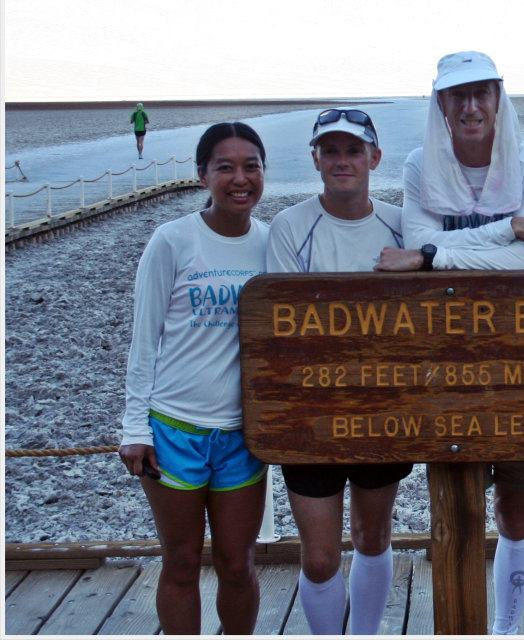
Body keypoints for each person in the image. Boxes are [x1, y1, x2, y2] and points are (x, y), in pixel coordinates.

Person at [375, 51, 524, 635]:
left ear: (498, 97)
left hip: (520, 359)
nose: (470, 106)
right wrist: (510, 226)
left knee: (517, 507)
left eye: (481, 93)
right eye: (456, 95)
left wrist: (437, 252)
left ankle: (508, 626)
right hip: (442, 363)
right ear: (439, 103)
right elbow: (420, 249)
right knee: (454, 503)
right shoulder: (419, 165)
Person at [119, 122, 270, 634]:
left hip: (242, 436)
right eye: (224, 167)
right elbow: (144, 341)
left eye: (251, 165)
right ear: (202, 174)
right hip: (173, 429)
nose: (239, 178)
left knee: (238, 563)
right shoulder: (173, 240)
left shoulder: (273, 245)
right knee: (181, 563)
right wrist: (134, 427)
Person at [266, 108, 410, 635]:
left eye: (353, 150)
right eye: (331, 151)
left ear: (374, 157)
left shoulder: (402, 222)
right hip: (311, 414)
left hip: (385, 409)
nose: (342, 160)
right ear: (316, 160)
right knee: (321, 556)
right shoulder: (290, 226)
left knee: (373, 536)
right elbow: (284, 329)